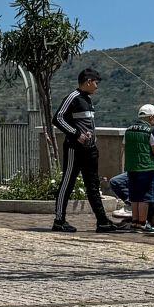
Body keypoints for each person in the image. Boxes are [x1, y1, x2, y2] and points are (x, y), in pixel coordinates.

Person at [50, 68, 118, 233]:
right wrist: (76, 134)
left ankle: (102, 221)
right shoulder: (73, 97)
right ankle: (59, 220)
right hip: (75, 149)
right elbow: (57, 118)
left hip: (90, 150)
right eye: (96, 83)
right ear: (88, 81)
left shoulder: (87, 99)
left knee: (93, 185)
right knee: (68, 182)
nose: (97, 86)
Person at [122, 103, 154, 234]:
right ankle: (142, 223)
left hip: (131, 167)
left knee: (134, 196)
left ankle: (135, 222)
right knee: (145, 197)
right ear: (151, 117)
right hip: (147, 168)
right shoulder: (150, 131)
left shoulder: (128, 130)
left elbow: (124, 147)